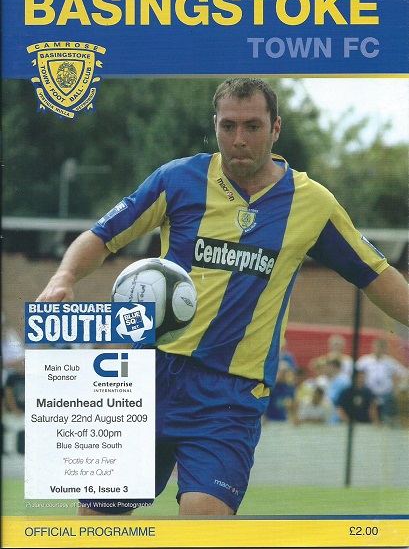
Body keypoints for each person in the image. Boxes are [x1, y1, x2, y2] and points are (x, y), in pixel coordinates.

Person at [36, 77, 409, 516]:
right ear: (215, 125)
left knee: (205, 519)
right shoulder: (178, 179)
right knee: (98, 520)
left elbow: (375, 273)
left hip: (230, 395)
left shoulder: (312, 203)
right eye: (228, 126)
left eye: (252, 126)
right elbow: (102, 235)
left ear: (275, 128)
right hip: (149, 373)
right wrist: (64, 275)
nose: (239, 139)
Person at [356, 338, 409, 424]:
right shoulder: (365, 360)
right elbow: (356, 373)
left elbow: (404, 373)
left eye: (381, 347)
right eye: (377, 347)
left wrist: (397, 386)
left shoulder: (389, 361)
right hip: (369, 394)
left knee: (388, 417)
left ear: (384, 348)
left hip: (386, 394)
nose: (378, 349)